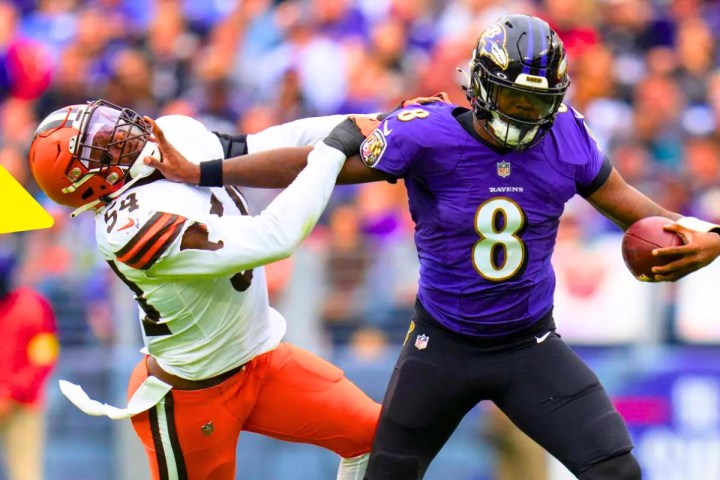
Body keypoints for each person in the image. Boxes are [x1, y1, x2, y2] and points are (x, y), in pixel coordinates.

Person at [145, 14, 720, 480]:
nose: (526, 117)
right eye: (515, 101)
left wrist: (708, 238)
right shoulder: (427, 132)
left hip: (531, 345)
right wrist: (210, 170)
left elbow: (629, 203)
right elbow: (316, 163)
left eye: (537, 105)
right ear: (484, 87)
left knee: (616, 471)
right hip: (441, 346)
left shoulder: (566, 133)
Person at [27, 99, 382, 479]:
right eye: (101, 145)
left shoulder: (173, 135)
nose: (117, 133)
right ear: (87, 181)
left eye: (105, 124)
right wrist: (331, 150)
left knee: (377, 438)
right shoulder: (128, 227)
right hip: (192, 397)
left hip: (261, 361)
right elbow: (275, 237)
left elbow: (264, 145)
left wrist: (377, 123)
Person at [0, 248, 59, 480]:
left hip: (24, 405)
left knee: (25, 473)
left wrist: (10, 393)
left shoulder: (33, 305)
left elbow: (44, 357)